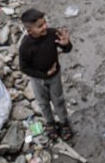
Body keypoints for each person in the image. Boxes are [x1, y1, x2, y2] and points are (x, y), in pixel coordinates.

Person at [19, 9, 74, 141]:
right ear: (29, 30)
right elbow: (24, 68)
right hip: (37, 79)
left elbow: (67, 49)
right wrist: (43, 74)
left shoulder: (52, 34)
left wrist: (66, 45)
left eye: (45, 23)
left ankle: (64, 123)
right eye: (40, 26)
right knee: (43, 103)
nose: (45, 27)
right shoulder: (25, 46)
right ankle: (50, 123)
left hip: (55, 76)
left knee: (58, 100)